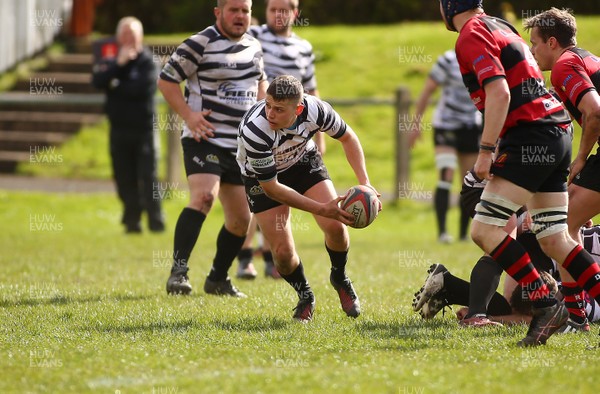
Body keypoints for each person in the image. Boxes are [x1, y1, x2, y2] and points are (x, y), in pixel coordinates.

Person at [439, 0, 600, 346]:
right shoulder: (501, 25)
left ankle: (545, 305)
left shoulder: (470, 33)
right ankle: (553, 308)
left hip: (530, 135)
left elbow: (499, 91)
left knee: (485, 229)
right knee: (554, 238)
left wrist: (485, 152)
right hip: (557, 131)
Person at [237, 75, 380, 321]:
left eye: (279, 109)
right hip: (262, 180)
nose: (270, 113)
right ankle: (305, 295)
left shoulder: (316, 110)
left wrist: (365, 182)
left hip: (303, 163)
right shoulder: (255, 130)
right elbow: (272, 188)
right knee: (281, 254)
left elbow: (348, 138)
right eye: (268, 105)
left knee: (336, 227)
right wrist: (322, 208)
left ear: (299, 108)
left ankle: (339, 276)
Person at [157, 0, 268, 296]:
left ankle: (218, 278)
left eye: (245, 10)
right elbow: (166, 81)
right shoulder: (198, 44)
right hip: (204, 138)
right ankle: (178, 273)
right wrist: (190, 117)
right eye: (234, 10)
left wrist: (263, 115)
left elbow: (260, 82)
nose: (240, 16)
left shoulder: (255, 46)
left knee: (241, 220)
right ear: (218, 12)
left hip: (240, 146)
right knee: (205, 197)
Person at [524, 8, 600, 331]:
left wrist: (581, 158)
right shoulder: (587, 59)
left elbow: (594, 112)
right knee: (571, 221)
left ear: (552, 42)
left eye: (535, 44)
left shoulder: (565, 65)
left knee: (561, 226)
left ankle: (576, 315)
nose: (532, 51)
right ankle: (577, 315)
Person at [236, 0, 324, 280]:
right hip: (260, 127)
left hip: (291, 132)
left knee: (277, 198)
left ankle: (271, 260)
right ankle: (245, 257)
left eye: (284, 10)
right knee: (258, 192)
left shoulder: (304, 48)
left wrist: (317, 136)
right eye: (273, 9)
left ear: (295, 13)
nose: (278, 14)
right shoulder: (255, 36)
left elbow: (311, 90)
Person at [92, 16, 165, 234]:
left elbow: (141, 90)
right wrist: (119, 65)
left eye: (132, 34)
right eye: (124, 34)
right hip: (118, 130)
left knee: (148, 176)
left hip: (143, 130)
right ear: (117, 37)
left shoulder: (149, 61)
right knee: (123, 177)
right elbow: (97, 81)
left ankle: (156, 220)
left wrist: (115, 86)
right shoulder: (112, 60)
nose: (128, 38)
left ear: (140, 36)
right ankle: (132, 221)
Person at [410, 49, 482, 243]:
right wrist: (416, 124)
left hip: (471, 127)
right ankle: (442, 232)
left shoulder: (485, 60)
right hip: (446, 126)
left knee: (469, 181)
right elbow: (427, 90)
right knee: (446, 173)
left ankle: (462, 234)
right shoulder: (448, 60)